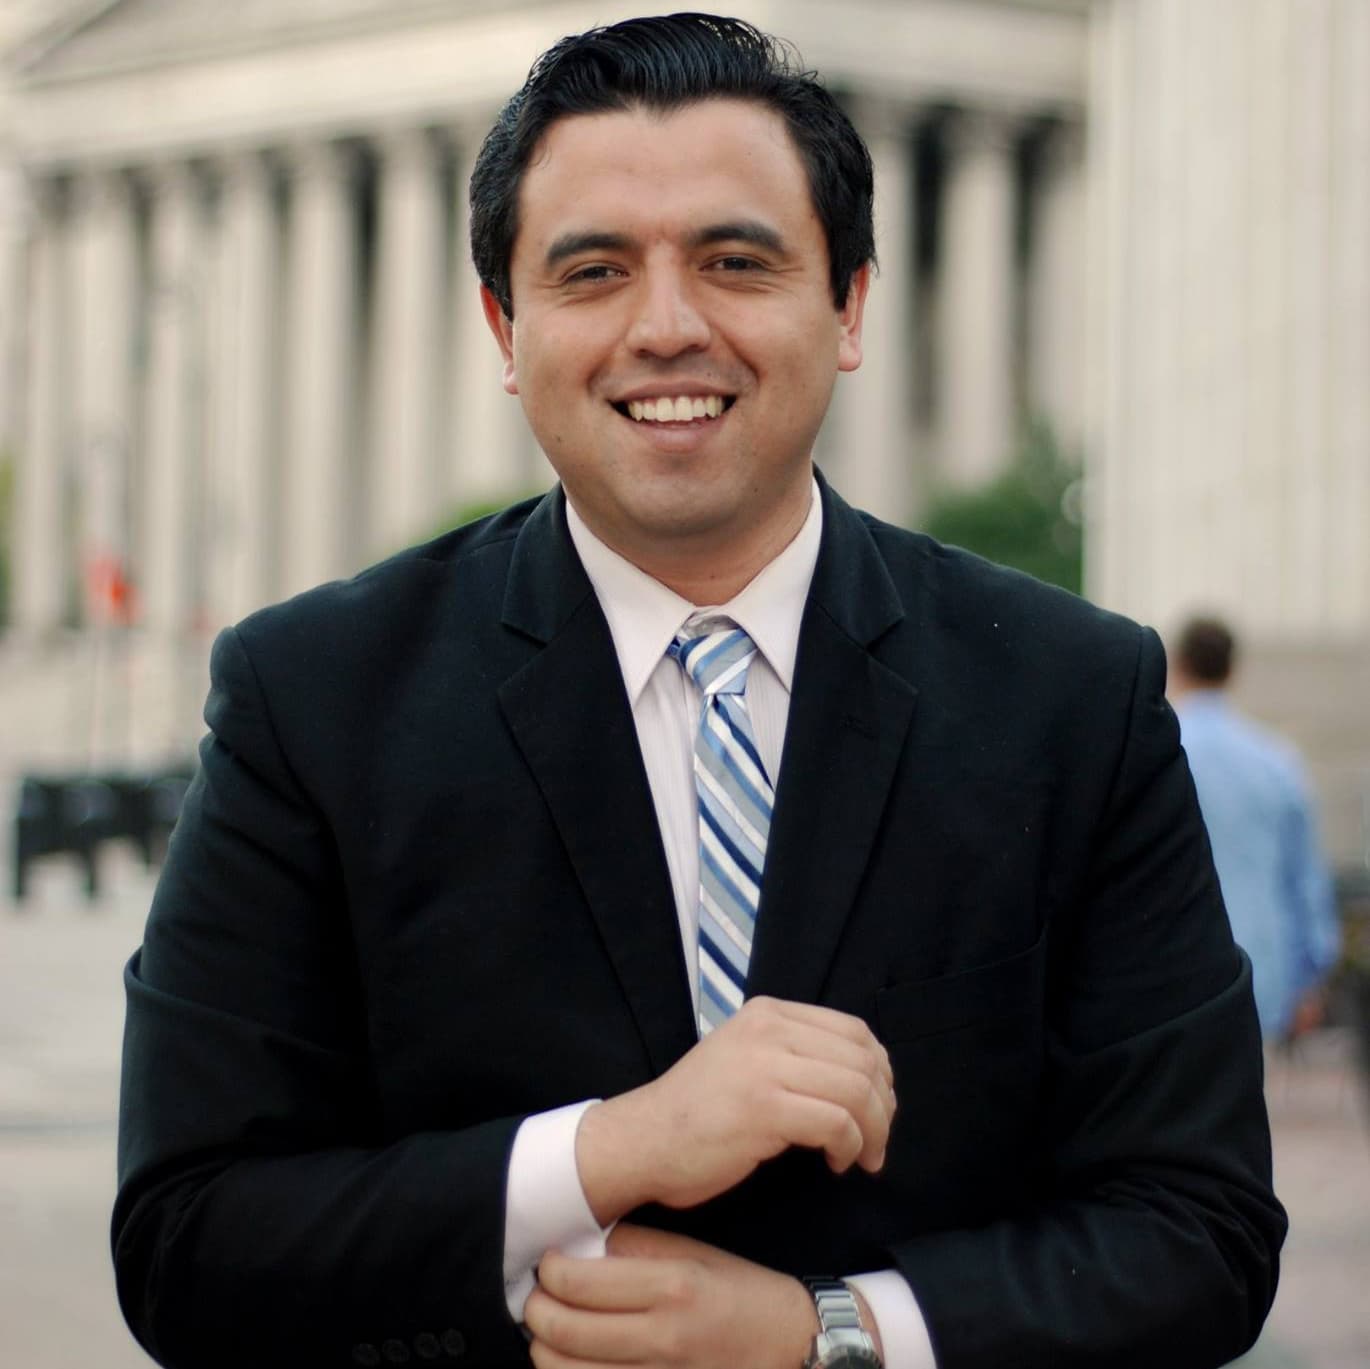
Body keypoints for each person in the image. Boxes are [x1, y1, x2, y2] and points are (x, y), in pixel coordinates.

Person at [112, 15, 1284, 1369]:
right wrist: (612, 1149)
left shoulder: (1071, 696)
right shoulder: (309, 701)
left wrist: (823, 1334)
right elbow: (187, 1241)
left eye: (735, 262)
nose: (666, 328)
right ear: (507, 325)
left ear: (845, 305)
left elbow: (1197, 1229)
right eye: (594, 271)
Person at [1171, 614, 1341, 1043]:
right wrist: (1311, 977)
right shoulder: (1276, 762)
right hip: (1261, 968)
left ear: (1179, 664)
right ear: (1232, 669)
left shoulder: (1160, 752)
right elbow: (1303, 877)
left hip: (1170, 967)